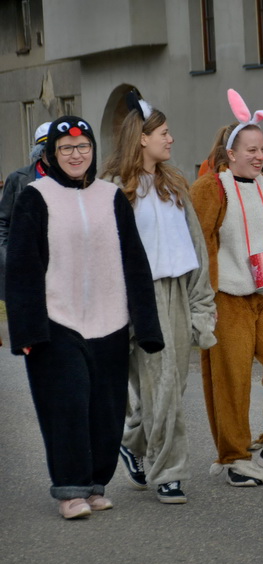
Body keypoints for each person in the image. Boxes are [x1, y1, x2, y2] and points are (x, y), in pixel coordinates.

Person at [5, 115, 163, 519]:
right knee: (67, 406)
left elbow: (135, 262)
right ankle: (70, 489)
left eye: (83, 147)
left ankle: (95, 484)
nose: (75, 155)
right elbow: (22, 267)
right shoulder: (36, 197)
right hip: (57, 321)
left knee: (106, 410)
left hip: (110, 320)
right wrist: (27, 331)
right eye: (66, 148)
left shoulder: (111, 197)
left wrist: (146, 325)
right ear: (51, 154)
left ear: (93, 150)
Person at [101, 92, 217, 504]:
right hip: (139, 300)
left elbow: (196, 247)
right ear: (142, 137)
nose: (171, 139)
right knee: (161, 386)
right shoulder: (113, 190)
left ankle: (132, 442)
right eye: (164, 133)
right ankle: (168, 471)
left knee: (170, 386)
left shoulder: (174, 184)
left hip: (177, 294)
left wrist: (203, 306)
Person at [191, 89, 263, 486]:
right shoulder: (212, 188)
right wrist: (203, 298)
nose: (259, 156)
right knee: (232, 380)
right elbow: (202, 242)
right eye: (252, 150)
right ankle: (234, 456)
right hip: (229, 299)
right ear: (231, 154)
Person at [0, 121, 51, 302]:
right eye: (49, 149)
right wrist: (8, 257)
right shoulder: (18, 179)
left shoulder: (74, 179)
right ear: (40, 151)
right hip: (27, 265)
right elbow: (3, 222)